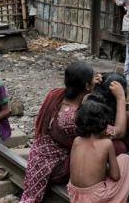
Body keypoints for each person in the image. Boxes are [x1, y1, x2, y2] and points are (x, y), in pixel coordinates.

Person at [20, 62, 119, 203]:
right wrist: (120, 98)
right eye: (92, 79)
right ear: (86, 86)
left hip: (39, 158)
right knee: (117, 146)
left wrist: (90, 83)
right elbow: (116, 131)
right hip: (55, 168)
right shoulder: (72, 118)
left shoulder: (56, 94)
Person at [68, 99, 129, 203]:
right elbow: (116, 176)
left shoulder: (77, 141)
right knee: (126, 159)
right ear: (103, 124)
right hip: (95, 197)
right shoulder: (106, 143)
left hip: (75, 195)